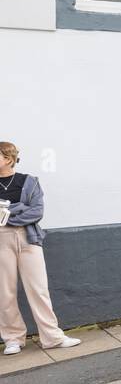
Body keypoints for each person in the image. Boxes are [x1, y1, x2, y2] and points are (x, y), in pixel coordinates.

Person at [0, 142, 81, 355]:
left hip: (28, 237)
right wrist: (19, 209)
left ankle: (52, 337)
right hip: (1, 241)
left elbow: (36, 212)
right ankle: (12, 339)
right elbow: (26, 210)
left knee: (39, 289)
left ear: (8, 159)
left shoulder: (29, 181)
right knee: (4, 292)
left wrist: (7, 213)